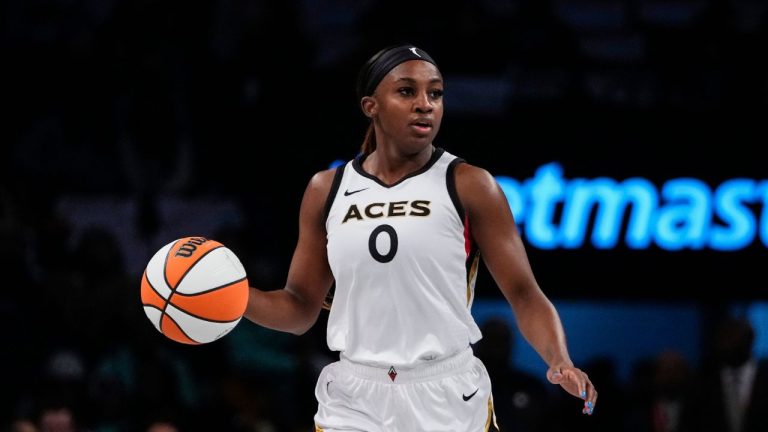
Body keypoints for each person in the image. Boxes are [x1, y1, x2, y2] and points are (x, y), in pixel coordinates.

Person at [243, 42, 597, 431]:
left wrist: (559, 359)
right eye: (407, 91)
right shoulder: (326, 189)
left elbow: (524, 293)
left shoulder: (469, 184)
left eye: (435, 92)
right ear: (370, 106)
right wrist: (235, 298)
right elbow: (298, 309)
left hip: (446, 392)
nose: (425, 104)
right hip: (355, 395)